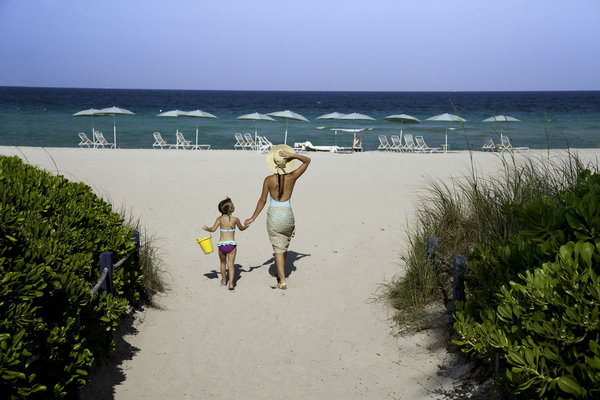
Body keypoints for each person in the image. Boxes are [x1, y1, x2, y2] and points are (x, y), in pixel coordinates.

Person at [245, 144, 311, 290]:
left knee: (277, 249)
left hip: (274, 216)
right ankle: (281, 273)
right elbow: (307, 160)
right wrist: (293, 155)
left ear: (273, 163)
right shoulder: (292, 176)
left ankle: (282, 281)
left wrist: (252, 217)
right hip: (288, 215)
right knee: (283, 246)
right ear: (287, 163)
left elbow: (262, 200)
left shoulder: (268, 180)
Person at [203, 197, 248, 291]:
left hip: (222, 245)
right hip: (231, 245)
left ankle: (224, 281)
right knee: (231, 265)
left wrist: (207, 229)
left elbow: (213, 229)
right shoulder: (235, 219)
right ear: (231, 209)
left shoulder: (219, 219)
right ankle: (231, 284)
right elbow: (242, 228)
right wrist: (246, 225)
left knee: (223, 263)